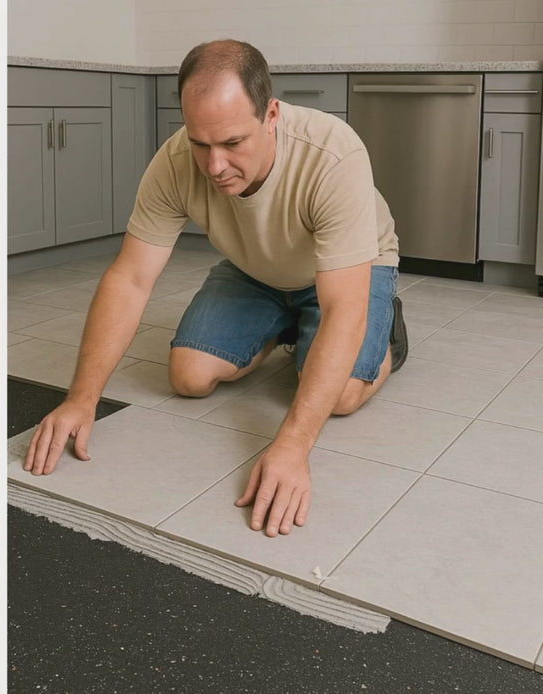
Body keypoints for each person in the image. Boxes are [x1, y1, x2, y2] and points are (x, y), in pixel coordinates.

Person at [21, 39, 406, 538]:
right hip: (257, 269)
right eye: (199, 143)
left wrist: (291, 444)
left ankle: (387, 333)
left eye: (231, 143)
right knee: (189, 376)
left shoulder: (332, 154)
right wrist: (81, 398)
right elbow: (131, 278)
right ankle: (288, 321)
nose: (214, 165)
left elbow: (344, 307)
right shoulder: (176, 161)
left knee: (342, 395)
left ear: (270, 114)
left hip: (350, 272)